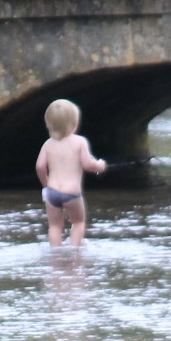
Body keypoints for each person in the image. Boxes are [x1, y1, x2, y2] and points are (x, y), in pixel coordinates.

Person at [35, 98, 107, 247]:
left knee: (54, 226)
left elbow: (40, 167)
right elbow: (88, 164)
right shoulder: (80, 142)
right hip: (72, 192)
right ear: (74, 124)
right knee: (78, 222)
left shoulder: (47, 144)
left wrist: (46, 186)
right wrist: (99, 166)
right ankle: (74, 253)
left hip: (52, 191)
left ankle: (55, 256)